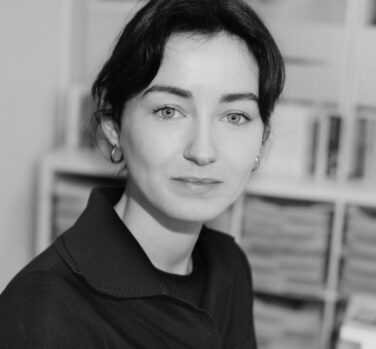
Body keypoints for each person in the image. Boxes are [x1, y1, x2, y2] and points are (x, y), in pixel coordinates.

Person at [0, 0, 284, 347]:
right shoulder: (45, 308)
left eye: (235, 116)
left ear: (263, 139)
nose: (203, 151)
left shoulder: (229, 268)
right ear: (113, 127)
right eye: (169, 110)